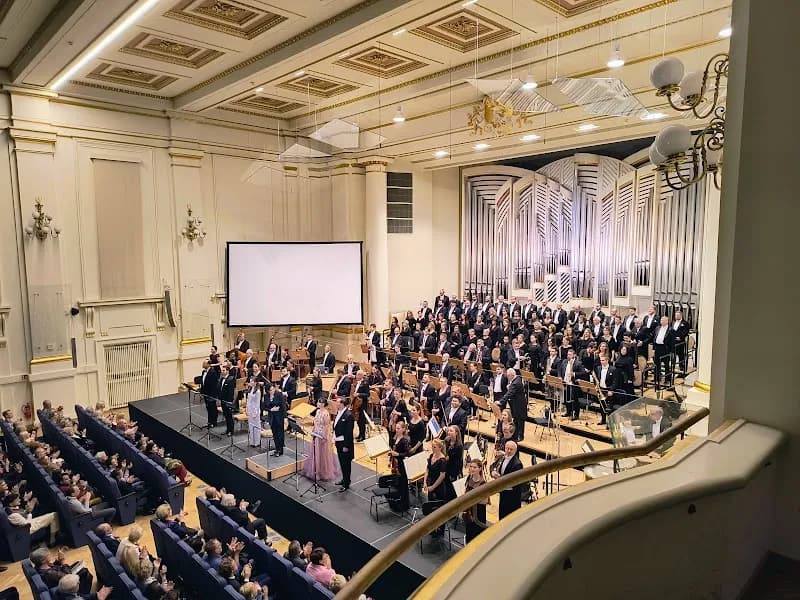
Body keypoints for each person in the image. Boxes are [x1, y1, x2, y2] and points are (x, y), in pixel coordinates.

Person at [302, 398, 341, 482]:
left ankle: (323, 472)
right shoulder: (317, 411)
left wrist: (324, 437)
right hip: (316, 434)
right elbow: (316, 423)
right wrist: (313, 431)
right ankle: (316, 471)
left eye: (319, 402)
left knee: (322, 454)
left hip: (322, 436)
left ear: (323, 404)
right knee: (315, 453)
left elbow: (327, 427)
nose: (317, 403)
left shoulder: (326, 414)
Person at [492, 440, 523, 519]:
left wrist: (499, 478)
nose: (508, 451)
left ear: (515, 451)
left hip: (511, 496)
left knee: (508, 517)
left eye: (511, 449)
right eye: (507, 448)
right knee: (502, 515)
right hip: (503, 492)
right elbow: (494, 466)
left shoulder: (517, 464)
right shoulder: (503, 457)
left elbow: (513, 483)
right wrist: (493, 472)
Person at [424, 439, 448, 536]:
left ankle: (440, 529)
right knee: (431, 506)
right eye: (432, 446)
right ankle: (433, 527)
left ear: (440, 448)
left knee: (439, 509)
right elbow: (427, 469)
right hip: (430, 484)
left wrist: (433, 487)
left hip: (439, 487)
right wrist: (425, 482)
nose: (432, 448)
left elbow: (442, 476)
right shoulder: (431, 456)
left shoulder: (442, 460)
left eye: (434, 447)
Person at [463, 458, 488, 543]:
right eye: (471, 467)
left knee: (477, 536)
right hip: (469, 510)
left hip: (478, 513)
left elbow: (485, 501)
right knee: (469, 533)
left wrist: (471, 499)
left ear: (480, 469)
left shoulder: (483, 483)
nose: (472, 469)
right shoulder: (469, 478)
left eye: (475, 467)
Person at [333, 397, 354, 491]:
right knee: (342, 462)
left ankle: (346, 483)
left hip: (344, 444)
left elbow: (349, 433)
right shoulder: (339, 412)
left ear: (342, 404)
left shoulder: (349, 415)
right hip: (338, 441)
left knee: (346, 464)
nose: (335, 403)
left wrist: (346, 446)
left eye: (337, 402)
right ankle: (344, 479)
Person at [389, 422, 411, 511]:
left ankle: (404, 504)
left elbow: (407, 453)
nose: (396, 430)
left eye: (398, 428)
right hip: (396, 465)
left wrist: (397, 454)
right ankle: (397, 502)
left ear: (403, 429)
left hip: (402, 466)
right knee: (397, 484)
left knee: (403, 485)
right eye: (396, 428)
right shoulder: (395, 438)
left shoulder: (404, 440)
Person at [501, 368, 526, 441]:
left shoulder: (516, 382)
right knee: (516, 420)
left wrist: (501, 401)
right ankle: (516, 434)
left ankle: (520, 436)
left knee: (520, 421)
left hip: (519, 405)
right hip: (515, 405)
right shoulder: (515, 380)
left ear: (511, 375)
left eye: (508, 376)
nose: (507, 377)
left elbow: (509, 393)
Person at [443, 425, 464, 500]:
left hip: (453, 471)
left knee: (451, 491)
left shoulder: (459, 446)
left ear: (456, 433)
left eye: (451, 431)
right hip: (447, 468)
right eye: (448, 431)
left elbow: (449, 458)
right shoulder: (447, 441)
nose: (449, 432)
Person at [267, 385, 286, 457]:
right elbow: (264, 406)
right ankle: (277, 448)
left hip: (279, 417)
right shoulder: (267, 396)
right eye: (270, 390)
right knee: (274, 434)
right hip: (272, 418)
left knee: (280, 434)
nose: (272, 391)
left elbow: (283, 406)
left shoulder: (279, 394)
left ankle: (280, 450)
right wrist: (271, 409)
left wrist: (285, 417)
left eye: (273, 389)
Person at [218, 365, 236, 436]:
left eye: (224, 370)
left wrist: (229, 402)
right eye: (222, 370)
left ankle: (231, 431)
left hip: (227, 401)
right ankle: (227, 429)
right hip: (223, 400)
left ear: (227, 371)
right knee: (226, 416)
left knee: (229, 416)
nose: (222, 372)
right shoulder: (222, 379)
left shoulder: (231, 379)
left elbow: (231, 392)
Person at [246, 381, 264, 448]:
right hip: (250, 409)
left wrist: (255, 412)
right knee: (251, 425)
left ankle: (257, 442)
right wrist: (247, 409)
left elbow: (257, 403)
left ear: (255, 383)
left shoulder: (258, 391)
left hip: (255, 410)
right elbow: (248, 400)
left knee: (256, 426)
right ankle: (252, 441)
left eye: (251, 381)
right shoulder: (250, 389)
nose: (250, 382)